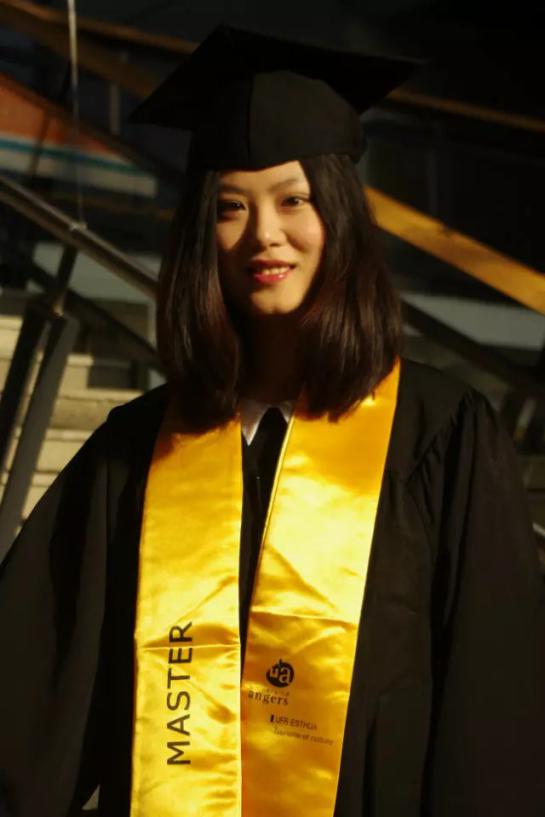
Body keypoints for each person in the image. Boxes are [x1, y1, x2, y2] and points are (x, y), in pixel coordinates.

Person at [0, 25, 544, 817]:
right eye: (231, 208)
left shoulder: (440, 434)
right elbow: (32, 688)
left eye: (294, 200)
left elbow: (491, 711)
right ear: (203, 237)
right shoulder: (140, 448)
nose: (264, 234)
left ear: (339, 216)